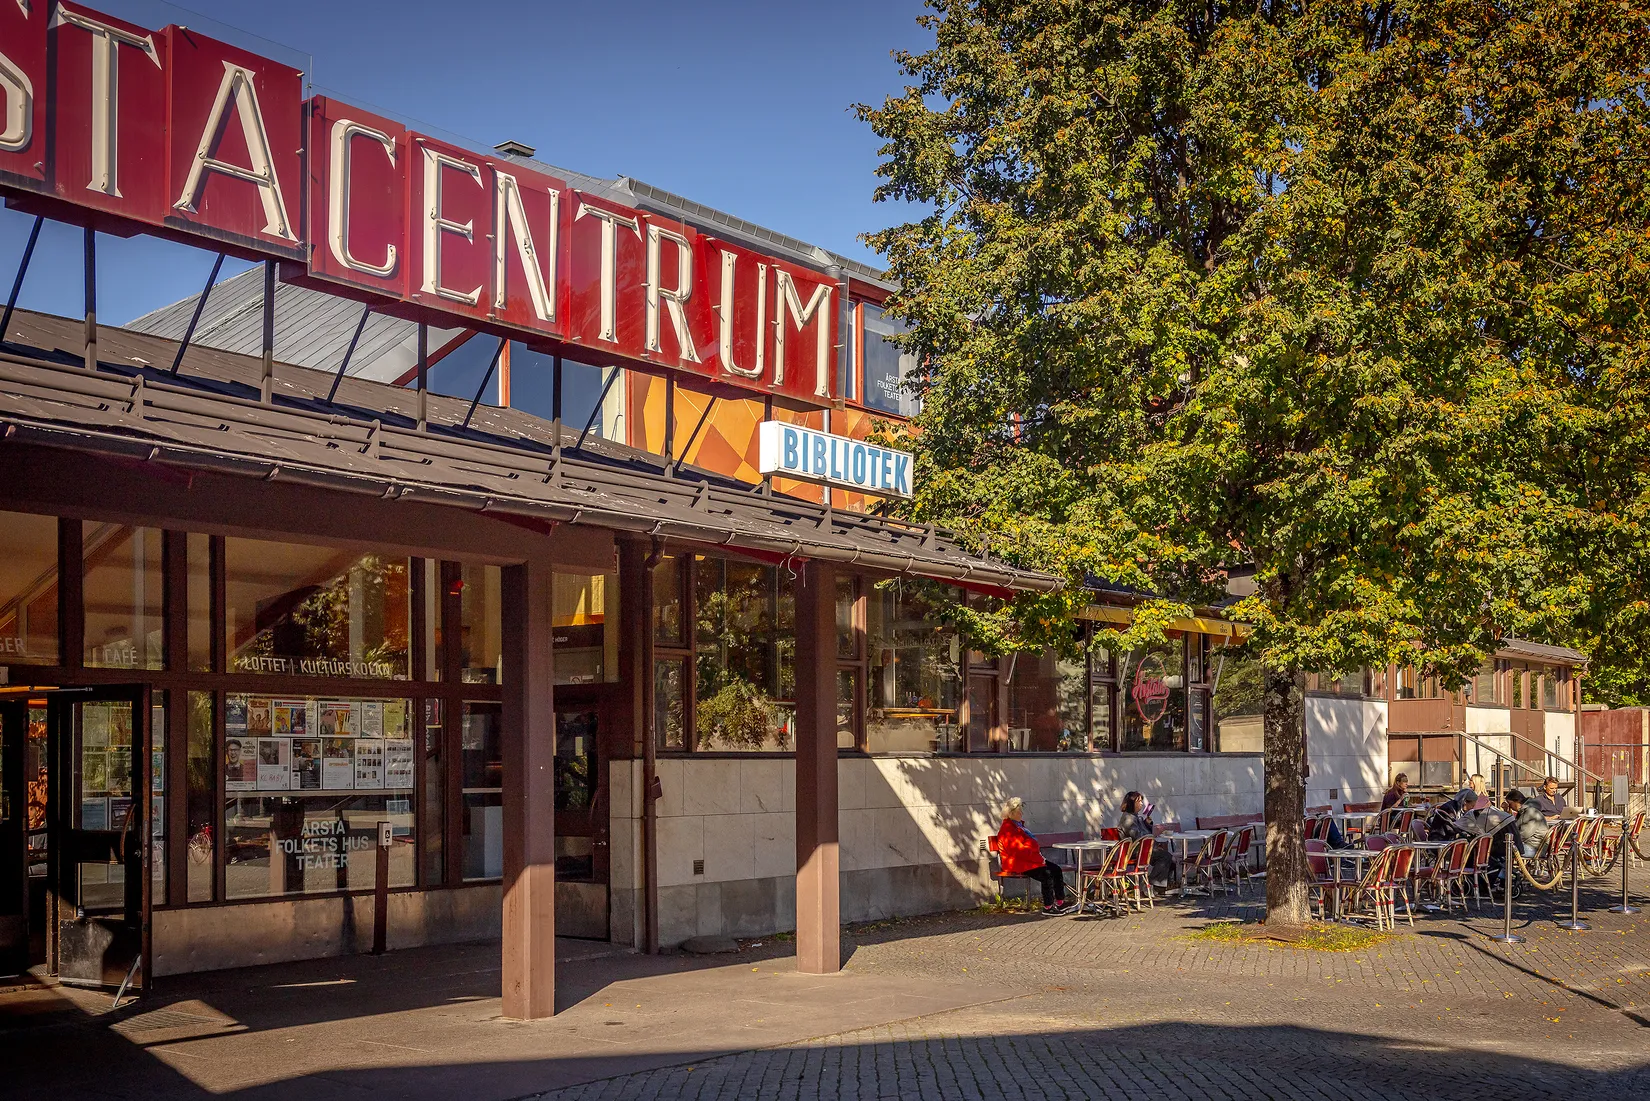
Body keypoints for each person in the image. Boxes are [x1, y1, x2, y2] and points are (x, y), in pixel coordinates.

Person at [995, 797, 1072, 914]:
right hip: (1018, 863)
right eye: (1018, 812)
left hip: (1031, 860)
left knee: (1056, 869)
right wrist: (1039, 859)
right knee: (1047, 874)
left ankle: (1060, 901)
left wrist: (1039, 858)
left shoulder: (1018, 826)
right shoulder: (1008, 829)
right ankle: (1048, 906)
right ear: (1011, 813)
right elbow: (1019, 851)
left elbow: (1028, 846)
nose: (1021, 814)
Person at [1117, 791, 1177, 887]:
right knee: (1165, 857)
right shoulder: (1128, 819)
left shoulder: (1136, 817)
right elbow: (1138, 837)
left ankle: (1161, 885)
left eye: (1141, 801)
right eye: (1139, 801)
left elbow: (1142, 833)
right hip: (1135, 851)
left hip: (1143, 849)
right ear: (1132, 803)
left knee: (1171, 859)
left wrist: (1147, 824)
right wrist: (1154, 839)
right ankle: (1150, 882)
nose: (1141, 804)